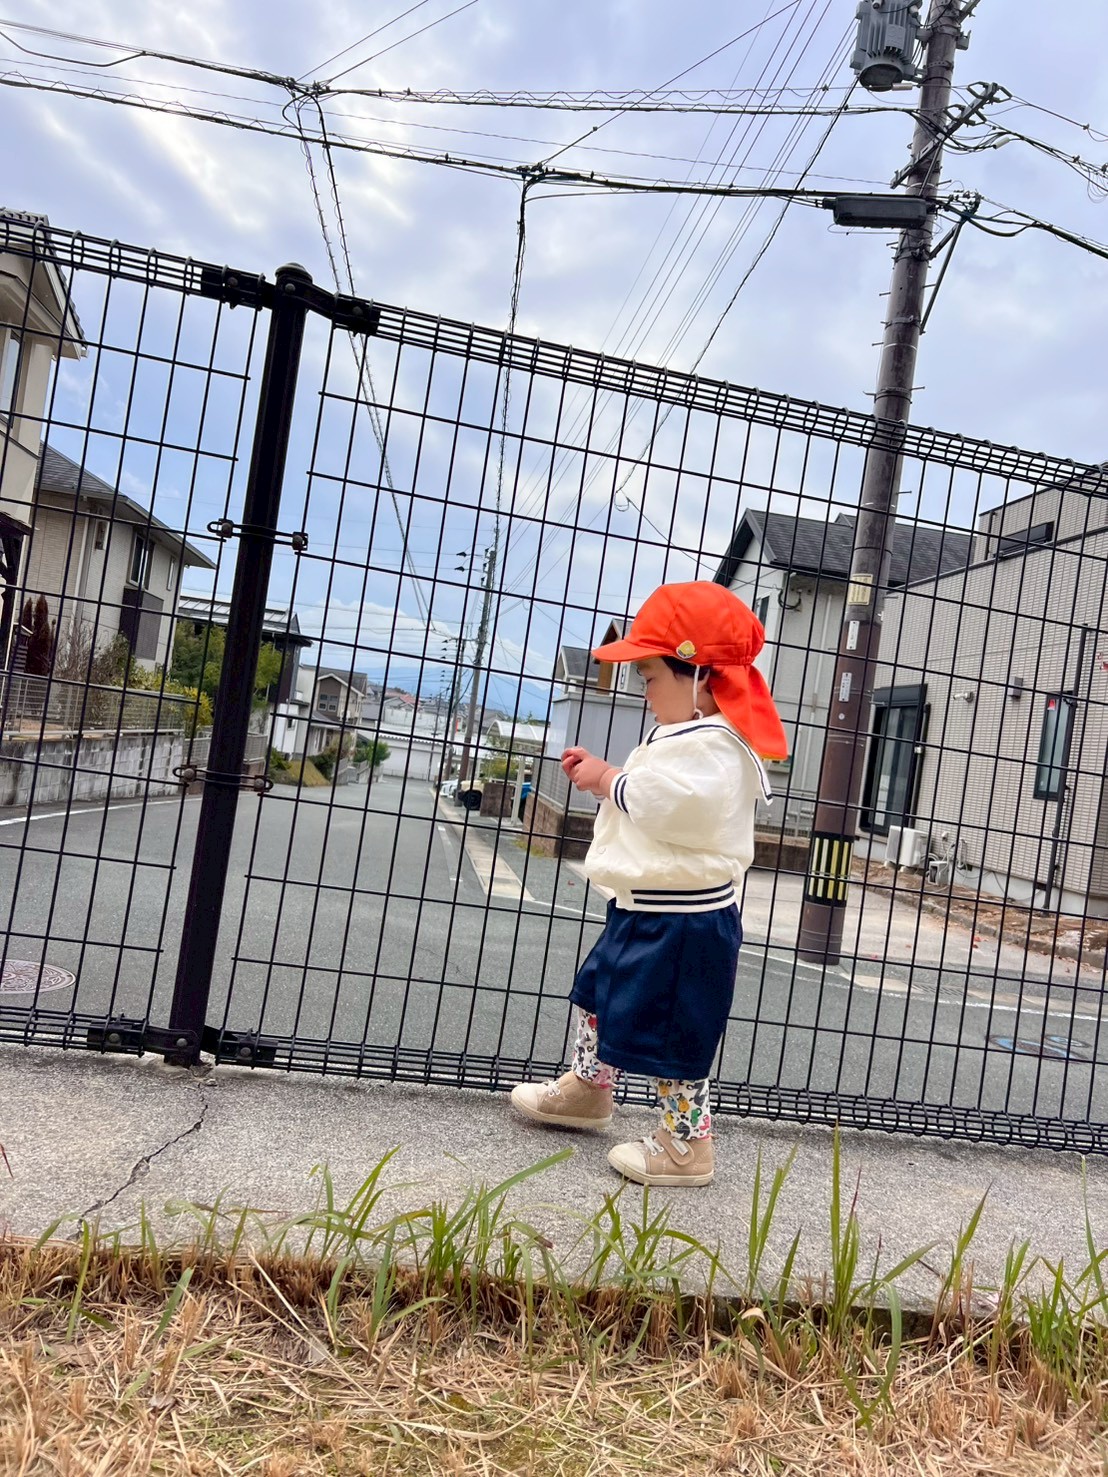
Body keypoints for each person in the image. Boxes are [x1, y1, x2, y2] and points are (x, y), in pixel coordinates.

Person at [510, 581, 787, 1187]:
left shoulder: (718, 747)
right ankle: (589, 1088)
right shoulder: (690, 735)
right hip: (644, 908)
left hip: (686, 922)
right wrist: (608, 778)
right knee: (597, 995)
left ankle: (686, 1146)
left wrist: (608, 779)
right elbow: (656, 799)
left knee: (675, 1033)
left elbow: (676, 808)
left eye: (651, 677)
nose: (644, 690)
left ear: (701, 676)